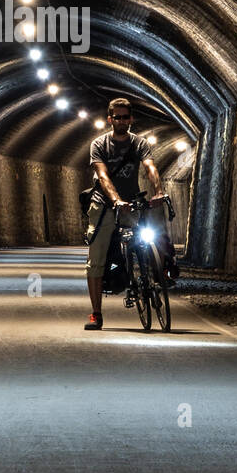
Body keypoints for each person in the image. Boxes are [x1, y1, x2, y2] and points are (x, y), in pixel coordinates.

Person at [83, 97, 165, 330]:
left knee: (147, 241)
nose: (121, 121)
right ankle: (96, 314)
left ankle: (149, 281)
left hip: (132, 203)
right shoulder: (99, 145)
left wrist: (159, 191)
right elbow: (103, 176)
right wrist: (116, 200)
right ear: (110, 119)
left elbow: (150, 167)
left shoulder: (139, 143)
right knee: (96, 259)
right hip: (104, 204)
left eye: (125, 117)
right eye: (117, 117)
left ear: (131, 119)